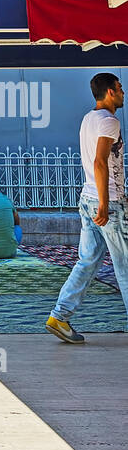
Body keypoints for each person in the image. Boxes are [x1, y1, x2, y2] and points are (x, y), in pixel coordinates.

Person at [47, 72, 128, 345]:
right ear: (108, 92)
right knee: (125, 265)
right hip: (109, 203)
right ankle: (60, 315)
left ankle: (60, 316)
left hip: (87, 198)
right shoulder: (110, 121)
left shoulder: (88, 119)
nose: (123, 92)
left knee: (87, 261)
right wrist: (106, 204)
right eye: (119, 88)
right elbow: (100, 162)